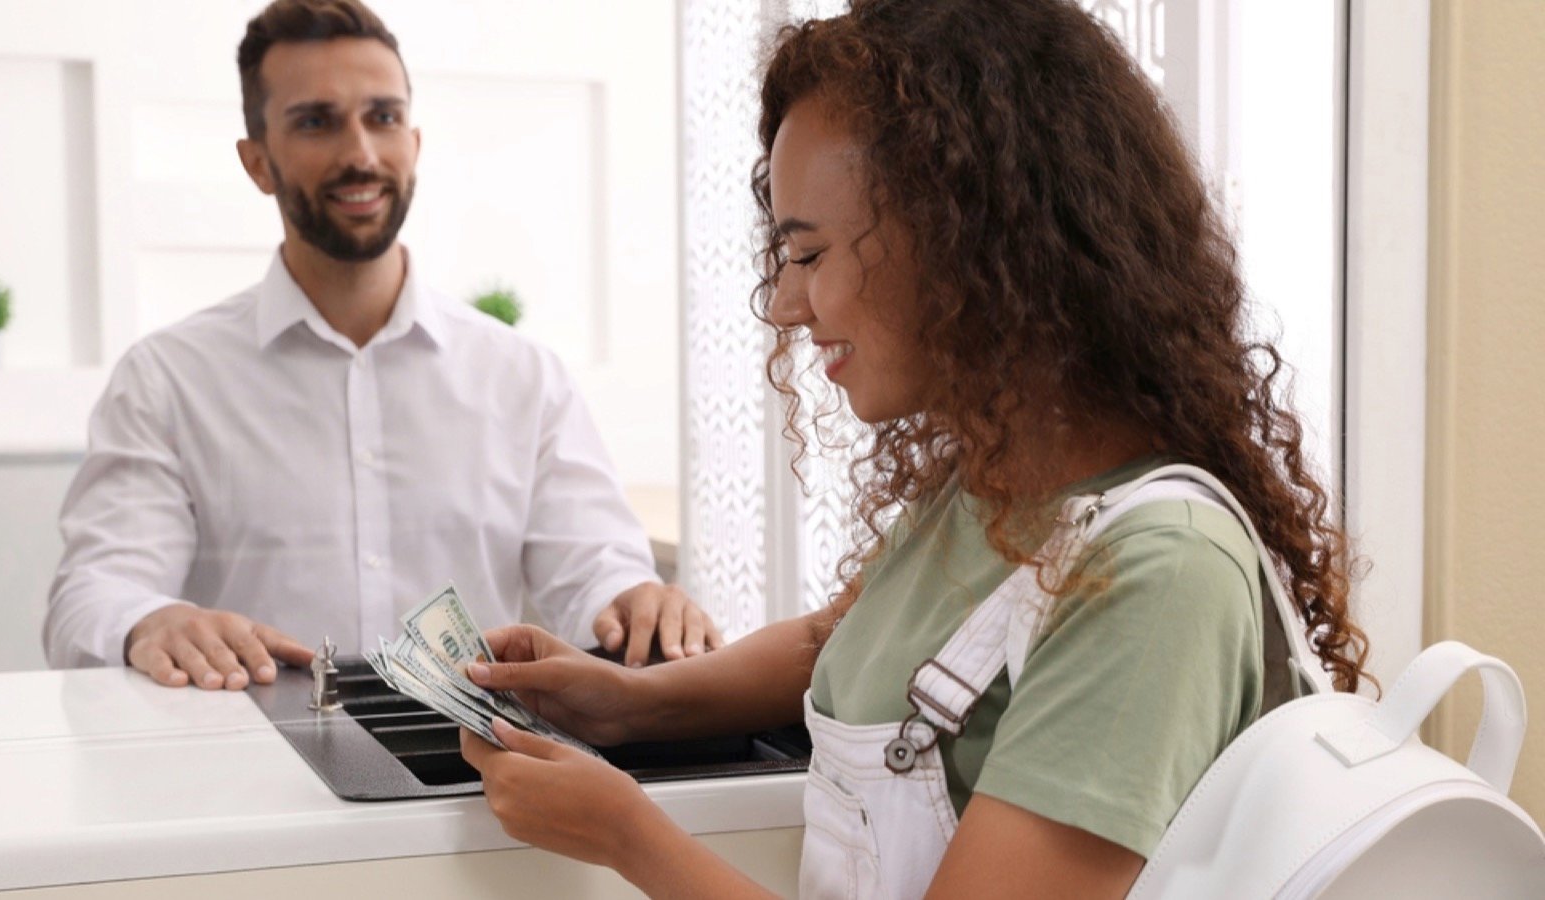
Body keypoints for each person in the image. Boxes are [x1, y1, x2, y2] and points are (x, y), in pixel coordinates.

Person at [457, 0, 1373, 896]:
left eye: (808, 256)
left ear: (969, 239)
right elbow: (845, 641)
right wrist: (633, 704)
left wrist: (627, 837)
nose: (783, 305)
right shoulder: (994, 487)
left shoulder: (1157, 577)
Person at [44, 0, 719, 691]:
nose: (360, 154)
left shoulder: (521, 377)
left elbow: (596, 575)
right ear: (257, 163)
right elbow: (95, 596)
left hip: (479, 780)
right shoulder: (167, 381)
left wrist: (637, 604)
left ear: (414, 144)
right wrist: (149, 620)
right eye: (316, 122)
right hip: (249, 780)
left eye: (383, 118)